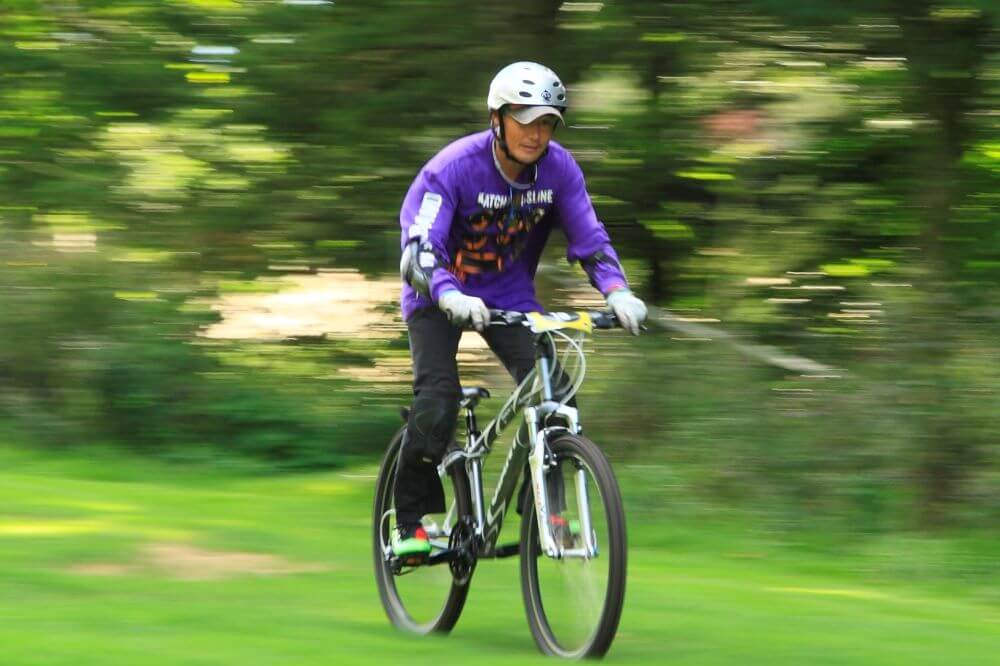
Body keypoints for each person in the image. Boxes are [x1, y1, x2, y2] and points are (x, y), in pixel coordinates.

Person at [393, 61, 647, 559]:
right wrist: (448, 293)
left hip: (506, 295)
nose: (535, 134)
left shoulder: (559, 170)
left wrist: (616, 290)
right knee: (437, 402)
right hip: (437, 292)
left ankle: (545, 513)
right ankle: (408, 523)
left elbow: (590, 239)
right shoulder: (453, 168)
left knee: (557, 394)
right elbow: (419, 250)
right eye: (525, 120)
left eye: (547, 122)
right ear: (497, 118)